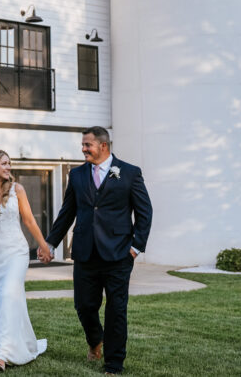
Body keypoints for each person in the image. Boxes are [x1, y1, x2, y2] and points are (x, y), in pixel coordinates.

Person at [42, 126, 152, 375]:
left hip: (119, 255)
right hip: (84, 253)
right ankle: (95, 340)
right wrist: (50, 243)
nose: (83, 149)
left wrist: (136, 248)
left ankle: (114, 363)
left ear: (103, 146)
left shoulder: (130, 173)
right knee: (84, 305)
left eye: (87, 145)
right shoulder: (77, 175)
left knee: (116, 309)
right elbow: (67, 212)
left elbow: (145, 212)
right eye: (83, 145)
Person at [0, 149, 51, 372]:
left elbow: (29, 221)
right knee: (2, 302)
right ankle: (24, 343)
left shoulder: (18, 189)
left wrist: (44, 246)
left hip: (16, 252)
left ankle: (1, 355)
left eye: (9, 164)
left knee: (7, 294)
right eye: (4, 164)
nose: (8, 168)